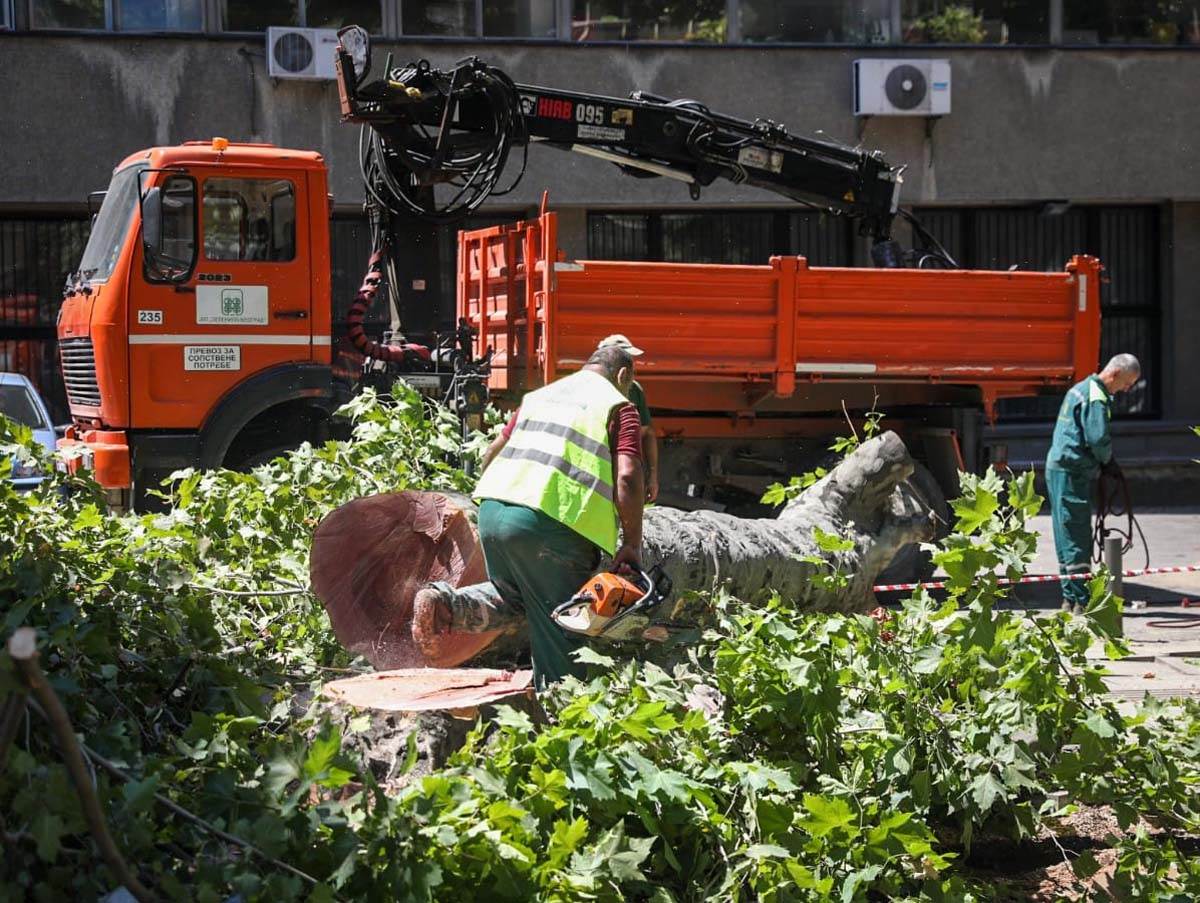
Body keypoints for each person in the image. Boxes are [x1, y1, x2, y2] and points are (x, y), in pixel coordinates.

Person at [423, 345, 646, 690]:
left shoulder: (541, 396)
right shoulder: (619, 405)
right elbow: (628, 477)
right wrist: (631, 543)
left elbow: (491, 452)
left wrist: (495, 500)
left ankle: (444, 605)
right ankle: (562, 721)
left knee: (514, 598)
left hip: (494, 510)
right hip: (549, 527)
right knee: (564, 630)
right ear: (623, 376)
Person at [1045, 353, 1141, 612]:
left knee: (1064, 533)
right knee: (1077, 534)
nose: (1127, 389)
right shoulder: (1096, 396)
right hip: (1071, 470)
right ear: (1115, 374)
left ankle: (1070, 599)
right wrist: (1108, 462)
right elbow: (1098, 438)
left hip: (1058, 467)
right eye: (1127, 382)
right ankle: (1083, 601)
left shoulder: (1080, 389)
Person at [597, 334, 659, 503]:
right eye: (626, 359)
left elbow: (646, 433)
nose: (632, 365)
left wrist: (652, 477)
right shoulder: (590, 389)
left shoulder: (633, 389)